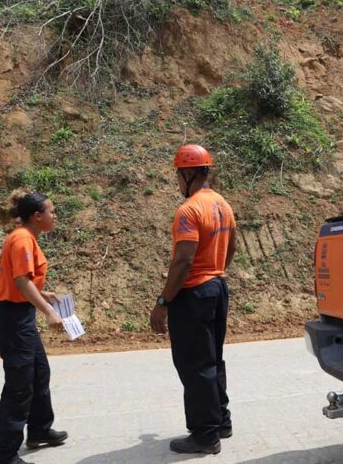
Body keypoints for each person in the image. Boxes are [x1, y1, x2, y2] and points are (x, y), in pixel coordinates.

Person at [150, 144, 237, 455]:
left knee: (195, 364)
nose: (176, 180)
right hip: (217, 286)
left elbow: (183, 261)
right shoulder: (222, 205)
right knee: (213, 358)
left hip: (195, 293)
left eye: (177, 174)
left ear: (188, 173)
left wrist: (163, 302)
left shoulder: (188, 210)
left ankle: (204, 435)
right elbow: (232, 249)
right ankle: (221, 421)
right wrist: (215, 272)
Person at [0, 190, 68, 464]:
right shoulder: (22, 239)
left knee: (39, 373)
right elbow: (21, 281)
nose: (54, 216)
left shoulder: (26, 237)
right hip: (11, 319)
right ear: (37, 216)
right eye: (51, 211)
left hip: (17, 315)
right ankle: (4, 454)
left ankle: (39, 430)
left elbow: (20, 282)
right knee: (19, 387)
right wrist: (48, 313)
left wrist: (43, 295)